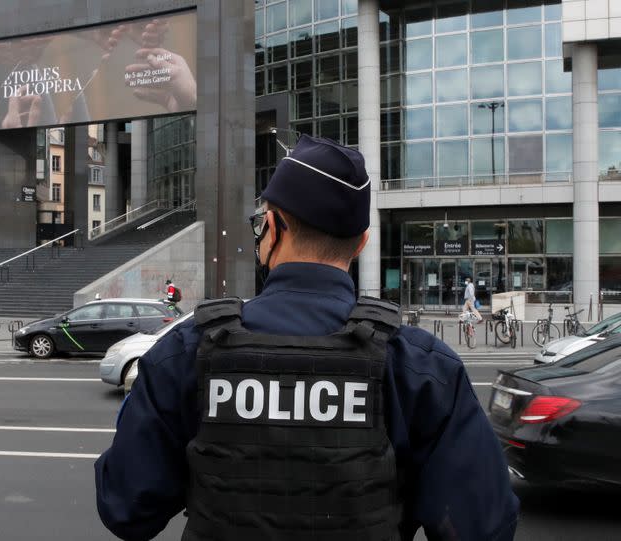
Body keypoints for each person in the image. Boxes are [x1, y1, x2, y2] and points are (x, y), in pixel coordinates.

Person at [95, 135, 518, 540]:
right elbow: (483, 525)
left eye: (261, 221)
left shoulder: (188, 349)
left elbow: (126, 509)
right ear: (361, 244)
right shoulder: (421, 367)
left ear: (274, 228)